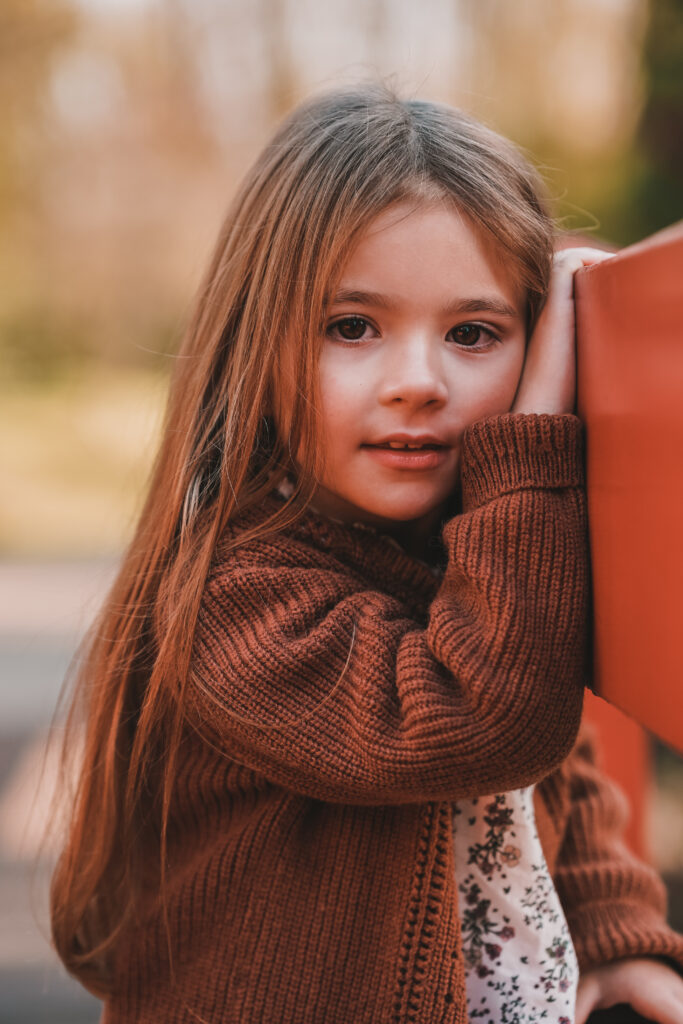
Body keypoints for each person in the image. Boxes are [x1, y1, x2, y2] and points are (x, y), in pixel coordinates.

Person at [50, 84, 683, 1024]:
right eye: (351, 328)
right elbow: (485, 723)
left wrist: (610, 924)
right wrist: (539, 429)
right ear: (255, 346)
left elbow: (559, 757)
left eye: (473, 334)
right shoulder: (234, 599)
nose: (418, 383)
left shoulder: (465, 555)